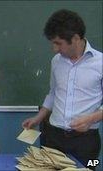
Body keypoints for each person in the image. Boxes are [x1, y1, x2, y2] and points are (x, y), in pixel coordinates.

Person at [22, 9, 102, 170]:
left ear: (75, 38)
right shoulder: (56, 61)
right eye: (53, 43)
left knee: (90, 167)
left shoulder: (100, 63)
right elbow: (53, 93)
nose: (54, 49)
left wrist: (91, 119)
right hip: (53, 137)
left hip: (85, 141)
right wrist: (39, 117)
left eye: (58, 43)